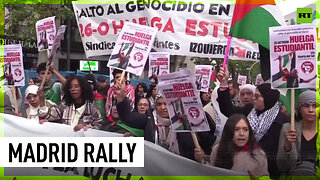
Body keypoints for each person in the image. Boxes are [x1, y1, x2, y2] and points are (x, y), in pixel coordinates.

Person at [115, 79, 216, 160]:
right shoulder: (149, 119)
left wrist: (198, 156)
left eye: (166, 104)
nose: (163, 107)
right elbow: (127, 117)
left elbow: (194, 148)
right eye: (159, 104)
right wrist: (121, 96)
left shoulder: (184, 122)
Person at [217, 66, 289, 178]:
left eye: (257, 96)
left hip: (266, 172)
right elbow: (228, 110)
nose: (253, 99)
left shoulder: (283, 121)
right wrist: (224, 83)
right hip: (242, 168)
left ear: (268, 98)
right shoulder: (248, 110)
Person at [194, 114, 269, 176]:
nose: (242, 134)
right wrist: (202, 160)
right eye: (236, 129)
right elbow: (212, 173)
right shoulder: (218, 150)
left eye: (245, 129)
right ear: (229, 132)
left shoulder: (259, 154)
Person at [39, 75, 103, 131]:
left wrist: (86, 129)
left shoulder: (92, 108)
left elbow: (99, 127)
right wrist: (41, 98)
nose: (73, 89)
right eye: (70, 87)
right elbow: (48, 115)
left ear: (83, 88)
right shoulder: (64, 105)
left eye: (76, 86)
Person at [277, 90, 317, 178]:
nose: (311, 110)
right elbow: (282, 166)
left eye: (315, 106)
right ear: (299, 109)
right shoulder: (288, 129)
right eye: (306, 106)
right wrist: (287, 147)